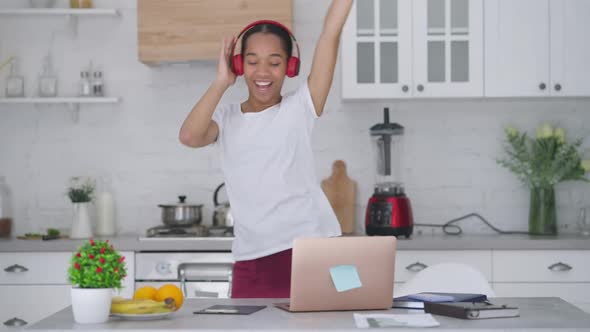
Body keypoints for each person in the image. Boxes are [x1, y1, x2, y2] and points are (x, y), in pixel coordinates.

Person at [179, 0, 353, 298]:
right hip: (252, 258)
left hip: (317, 247)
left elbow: (330, 34)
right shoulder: (226, 118)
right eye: (252, 61)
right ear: (239, 65)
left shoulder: (301, 106)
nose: (263, 72)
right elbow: (189, 136)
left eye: (274, 62)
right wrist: (222, 82)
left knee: (338, 322)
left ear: (290, 67)